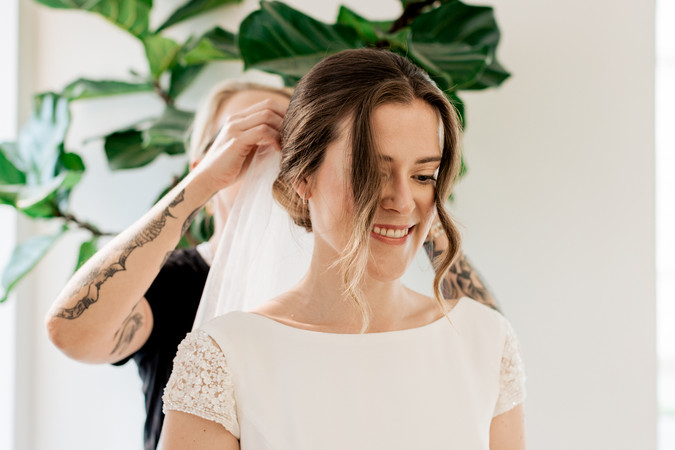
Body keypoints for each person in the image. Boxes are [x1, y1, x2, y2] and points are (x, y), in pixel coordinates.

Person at [45, 78, 500, 449]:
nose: (268, 156)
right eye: (243, 140)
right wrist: (202, 181)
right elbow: (72, 332)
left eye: (284, 139)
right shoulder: (175, 283)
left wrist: (411, 201)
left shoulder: (354, 280)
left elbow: (485, 354)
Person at [159, 48, 526, 450]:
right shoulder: (223, 359)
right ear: (304, 177)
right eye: (371, 172)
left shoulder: (486, 341)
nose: (403, 202)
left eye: (423, 175)